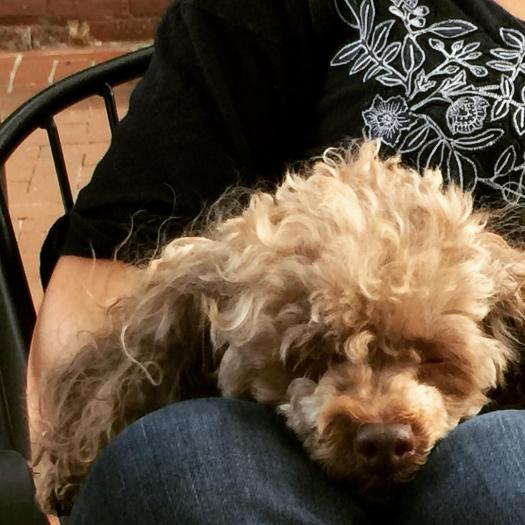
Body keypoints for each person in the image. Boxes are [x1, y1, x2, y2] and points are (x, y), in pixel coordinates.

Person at [28, 0, 525, 523]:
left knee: (502, 467)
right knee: (177, 463)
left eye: (431, 362)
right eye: (313, 361)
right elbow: (103, 267)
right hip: (260, 472)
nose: (381, 422)